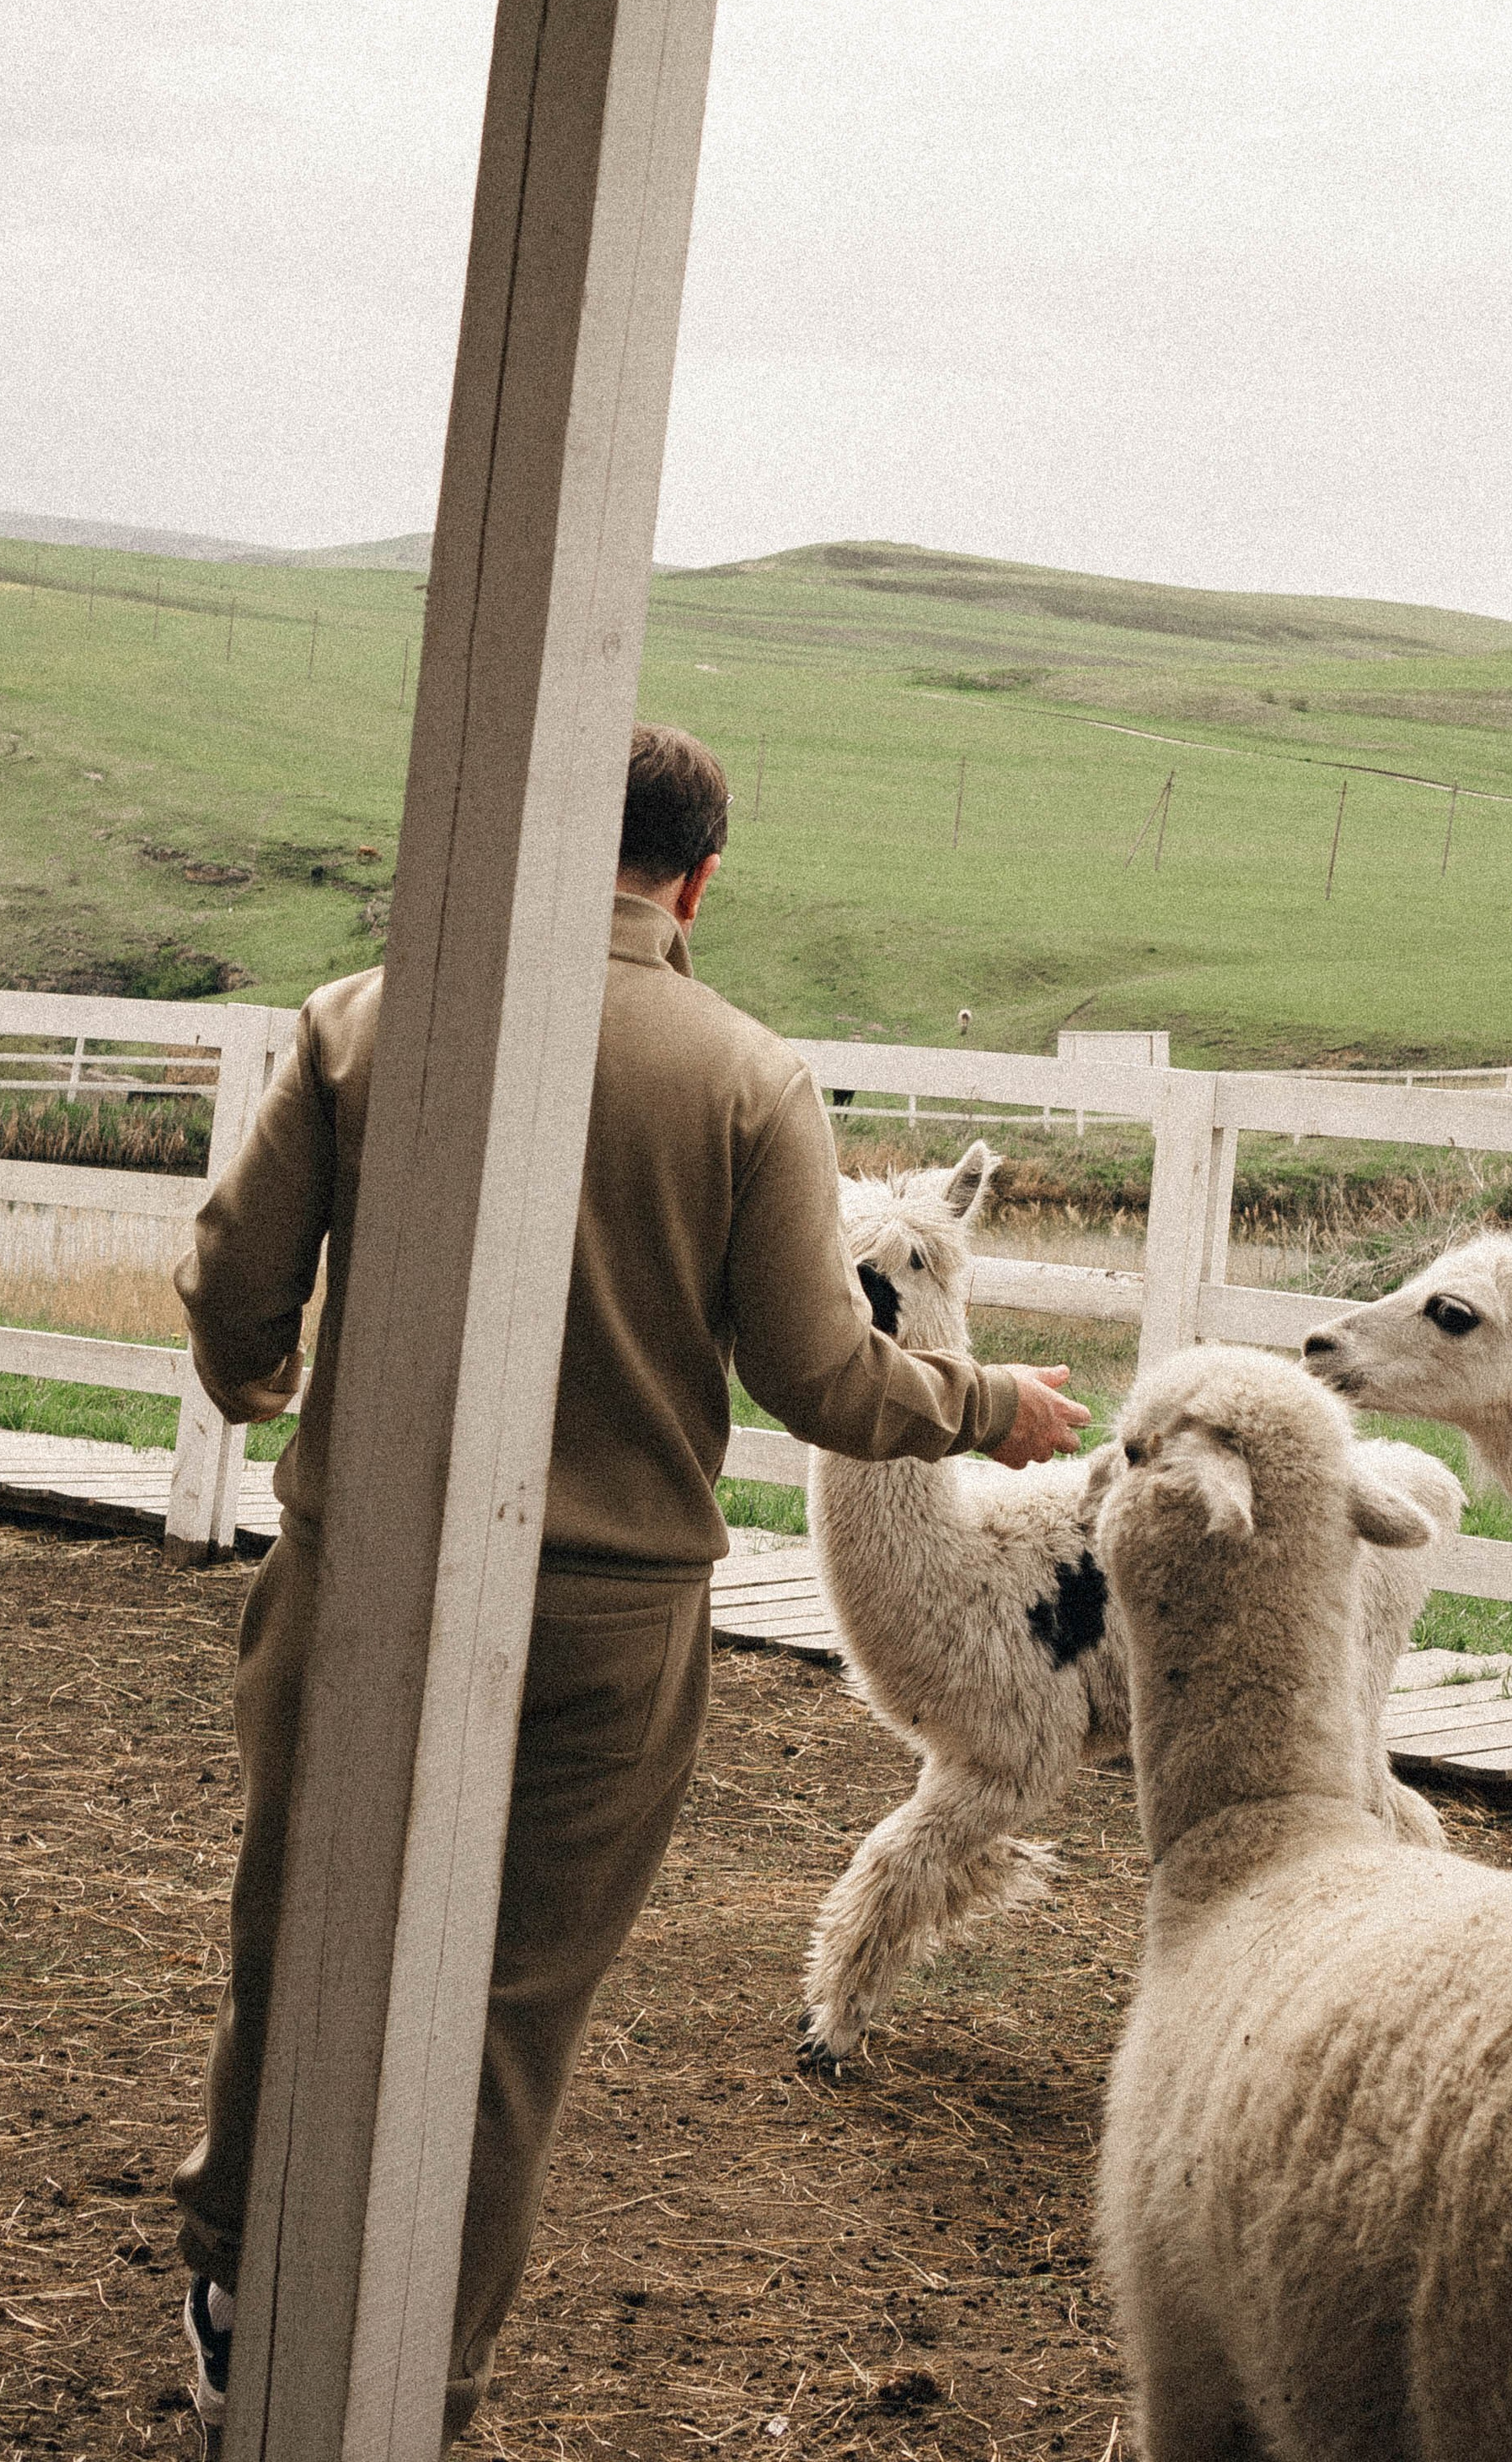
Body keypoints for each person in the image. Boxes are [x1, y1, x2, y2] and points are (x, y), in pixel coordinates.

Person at [168, 725, 1086, 2443]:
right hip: (605, 1624)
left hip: (357, 1569)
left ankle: (233, 2269)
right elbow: (818, 1377)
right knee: (511, 2004)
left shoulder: (365, 1015)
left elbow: (233, 1267)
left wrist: (253, 1382)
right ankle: (413, 2387)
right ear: (701, 879)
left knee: (296, 1925)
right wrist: (986, 1408)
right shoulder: (745, 1077)